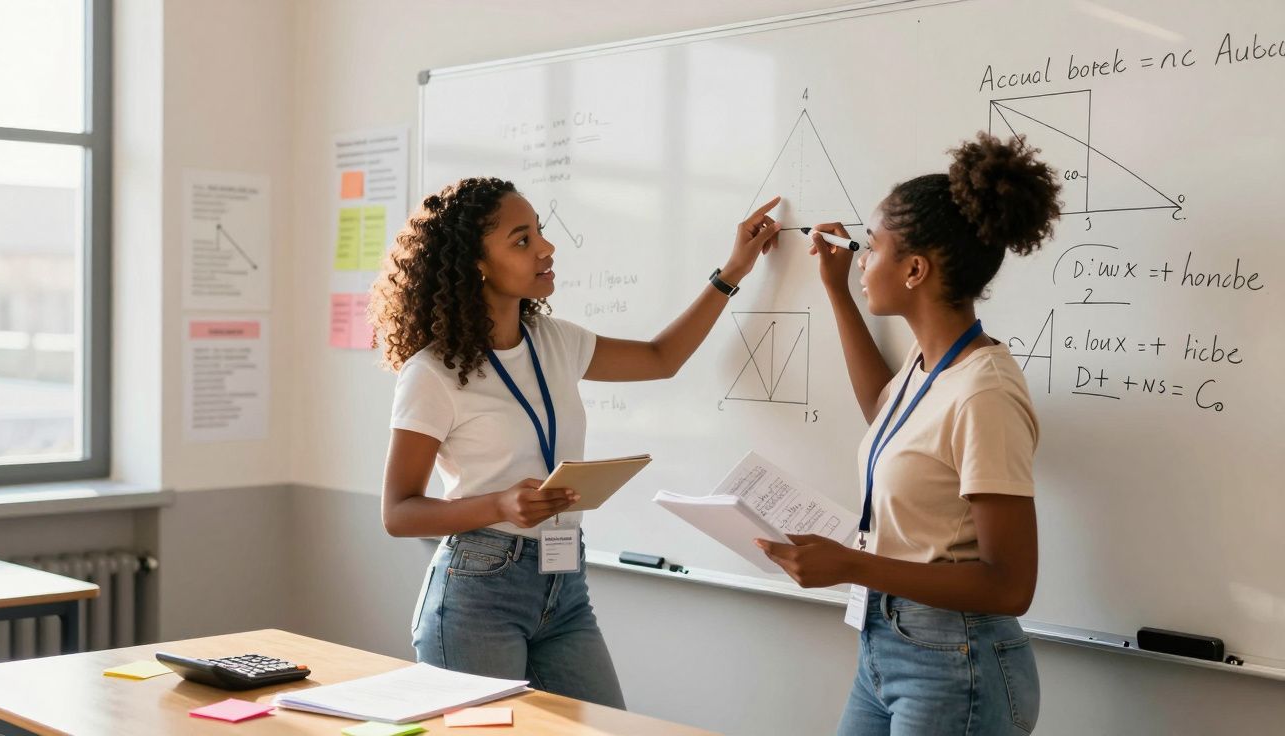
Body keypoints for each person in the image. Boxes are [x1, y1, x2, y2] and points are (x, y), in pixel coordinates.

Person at [369, 176, 781, 708]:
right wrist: (500, 504)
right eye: (522, 240)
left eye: (539, 231)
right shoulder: (433, 373)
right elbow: (398, 513)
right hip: (480, 588)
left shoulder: (556, 340)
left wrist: (733, 272)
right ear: (476, 263)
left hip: (564, 585)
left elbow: (662, 358)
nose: (546, 247)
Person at [756, 132, 1062, 735]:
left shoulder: (984, 393)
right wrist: (837, 291)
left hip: (958, 663)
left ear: (916, 269)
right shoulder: (930, 369)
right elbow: (884, 410)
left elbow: (1010, 584)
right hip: (886, 647)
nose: (863, 258)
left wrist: (853, 565)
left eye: (872, 248)